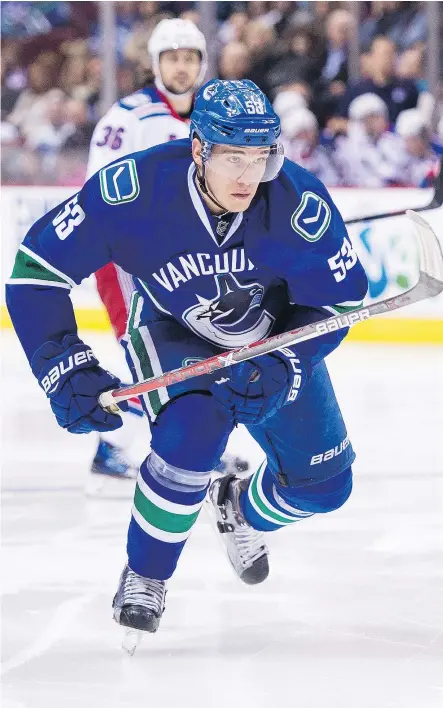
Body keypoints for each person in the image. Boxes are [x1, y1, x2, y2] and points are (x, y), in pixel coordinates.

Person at [6, 80, 368, 641]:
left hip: (272, 337)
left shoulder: (299, 203)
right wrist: (63, 364)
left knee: (324, 486)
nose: (250, 176)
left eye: (261, 157)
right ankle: (146, 575)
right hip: (172, 327)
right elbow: (35, 271)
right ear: (199, 148)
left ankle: (241, 510)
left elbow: (340, 300)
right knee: (191, 437)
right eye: (233, 158)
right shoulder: (135, 191)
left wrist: (288, 362)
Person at [85, 18, 209, 493]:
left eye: (190, 58)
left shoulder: (208, 116)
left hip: (183, 262)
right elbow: (99, 194)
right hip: (127, 261)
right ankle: (112, 447)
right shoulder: (128, 118)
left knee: (186, 352)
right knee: (144, 354)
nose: (182, 67)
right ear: (156, 63)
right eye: (173, 58)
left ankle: (189, 445)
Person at [339, 35, 418, 124]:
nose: (389, 58)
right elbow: (338, 121)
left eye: (393, 53)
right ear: (371, 57)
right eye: (385, 54)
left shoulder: (408, 87)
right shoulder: (357, 90)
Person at [334, 92, 405, 186]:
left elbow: (397, 172)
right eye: (375, 117)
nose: (382, 121)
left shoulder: (391, 142)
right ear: (363, 120)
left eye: (381, 116)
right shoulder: (347, 146)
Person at [395, 108, 439, 187]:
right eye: (406, 140)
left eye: (412, 140)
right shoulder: (398, 160)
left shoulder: (437, 157)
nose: (406, 145)